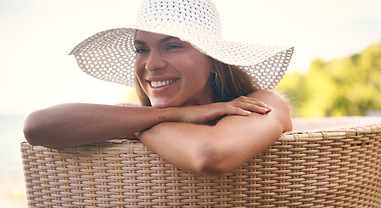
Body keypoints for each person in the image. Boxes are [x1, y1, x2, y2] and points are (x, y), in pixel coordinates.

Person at [23, 0, 294, 175]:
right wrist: (174, 115)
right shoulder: (144, 117)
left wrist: (142, 126)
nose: (151, 64)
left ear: (214, 60)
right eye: (141, 49)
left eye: (172, 45)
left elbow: (210, 155)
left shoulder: (264, 104)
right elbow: (37, 126)